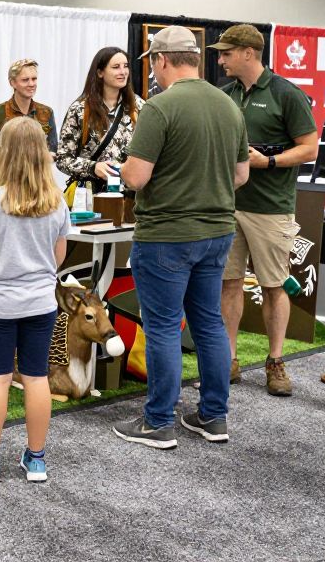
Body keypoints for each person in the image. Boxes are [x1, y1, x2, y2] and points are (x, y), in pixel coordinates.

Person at [112, 26, 249, 450]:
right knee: (208, 322)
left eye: (152, 62)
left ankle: (157, 422)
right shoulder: (228, 106)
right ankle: (213, 415)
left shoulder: (160, 107)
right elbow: (241, 174)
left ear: (162, 61)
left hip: (166, 234)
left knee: (165, 327)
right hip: (217, 232)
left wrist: (122, 170)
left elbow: (136, 176)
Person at [211, 24, 318, 396]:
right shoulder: (225, 95)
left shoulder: (286, 94)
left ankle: (275, 361)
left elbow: (310, 149)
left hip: (270, 209)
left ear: (248, 53)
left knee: (274, 286)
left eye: (226, 52)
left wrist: (267, 162)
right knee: (229, 283)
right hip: (228, 206)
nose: (220, 59)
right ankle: (229, 357)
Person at [0, 117, 70, 483]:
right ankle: (36, 459)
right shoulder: (57, 202)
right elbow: (59, 258)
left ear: (4, 154)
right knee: (37, 378)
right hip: (40, 303)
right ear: (43, 154)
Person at [56, 47, 144, 192]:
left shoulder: (138, 106)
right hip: (89, 196)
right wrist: (93, 167)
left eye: (126, 66)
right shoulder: (80, 109)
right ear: (100, 72)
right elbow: (62, 159)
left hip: (129, 196)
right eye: (116, 67)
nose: (123, 72)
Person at [0, 58, 57, 169]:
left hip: (39, 182)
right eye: (25, 80)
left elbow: (54, 153)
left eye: (34, 79)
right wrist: (22, 158)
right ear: (12, 83)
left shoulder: (47, 112)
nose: (31, 84)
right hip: (7, 181)